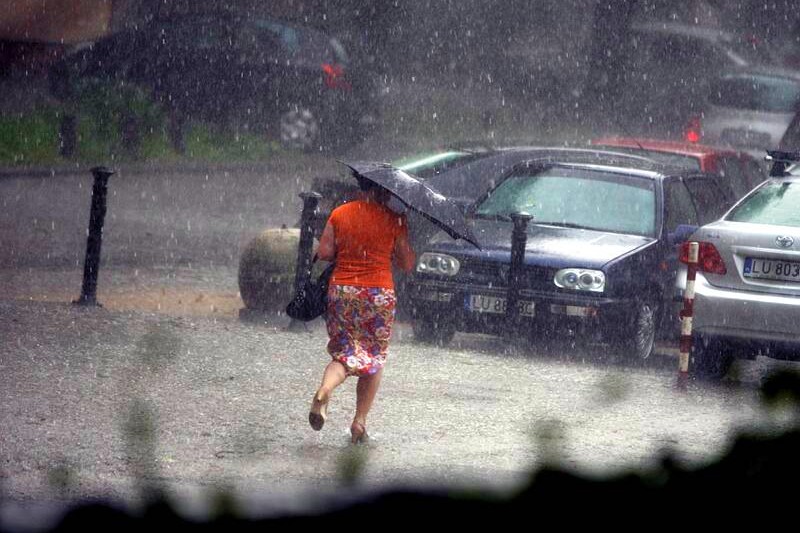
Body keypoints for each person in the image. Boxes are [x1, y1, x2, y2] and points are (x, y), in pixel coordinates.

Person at [308, 175, 416, 444]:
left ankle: (325, 389)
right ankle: (359, 422)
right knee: (373, 358)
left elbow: (324, 252)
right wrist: (400, 235)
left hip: (344, 290)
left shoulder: (340, 213)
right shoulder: (395, 219)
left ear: (362, 188)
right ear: (385, 193)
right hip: (378, 293)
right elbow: (405, 263)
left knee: (344, 352)